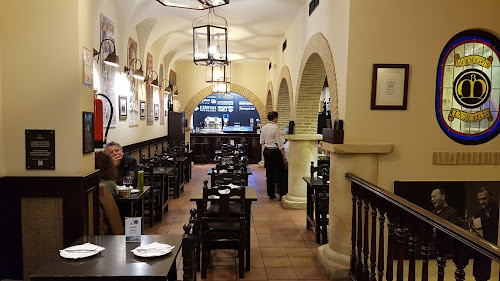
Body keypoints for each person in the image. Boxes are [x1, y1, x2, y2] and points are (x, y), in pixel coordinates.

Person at [470, 185, 499, 281]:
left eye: (484, 198)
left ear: (492, 196)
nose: (482, 202)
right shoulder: (479, 212)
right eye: (480, 199)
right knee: (479, 274)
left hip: (496, 248)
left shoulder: (498, 210)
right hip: (483, 248)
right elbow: (478, 229)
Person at [260, 111, 287, 199]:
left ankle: (271, 194)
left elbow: (261, 142)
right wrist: (284, 155)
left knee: (269, 172)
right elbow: (280, 144)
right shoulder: (275, 128)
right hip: (275, 152)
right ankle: (281, 192)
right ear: (275, 118)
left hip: (267, 151)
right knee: (279, 172)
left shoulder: (264, 128)